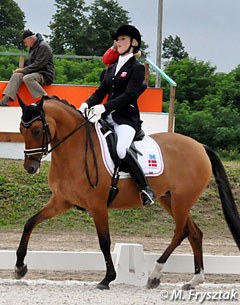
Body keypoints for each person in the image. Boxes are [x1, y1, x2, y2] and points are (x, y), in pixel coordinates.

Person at [79, 24, 154, 206]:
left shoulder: (136, 68)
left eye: (123, 39)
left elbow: (129, 95)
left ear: (133, 43)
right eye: (117, 39)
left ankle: (145, 188)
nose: (118, 42)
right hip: (106, 119)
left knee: (121, 150)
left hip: (126, 119)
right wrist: (86, 104)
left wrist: (104, 108)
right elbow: (100, 91)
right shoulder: (111, 69)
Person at [0, 30, 55, 106]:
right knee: (17, 75)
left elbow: (39, 64)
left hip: (44, 74)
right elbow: (31, 63)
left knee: (27, 78)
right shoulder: (34, 47)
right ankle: (5, 100)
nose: (25, 44)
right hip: (35, 72)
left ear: (30, 39)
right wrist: (20, 70)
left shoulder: (43, 46)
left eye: (25, 42)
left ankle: (45, 98)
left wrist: (23, 70)